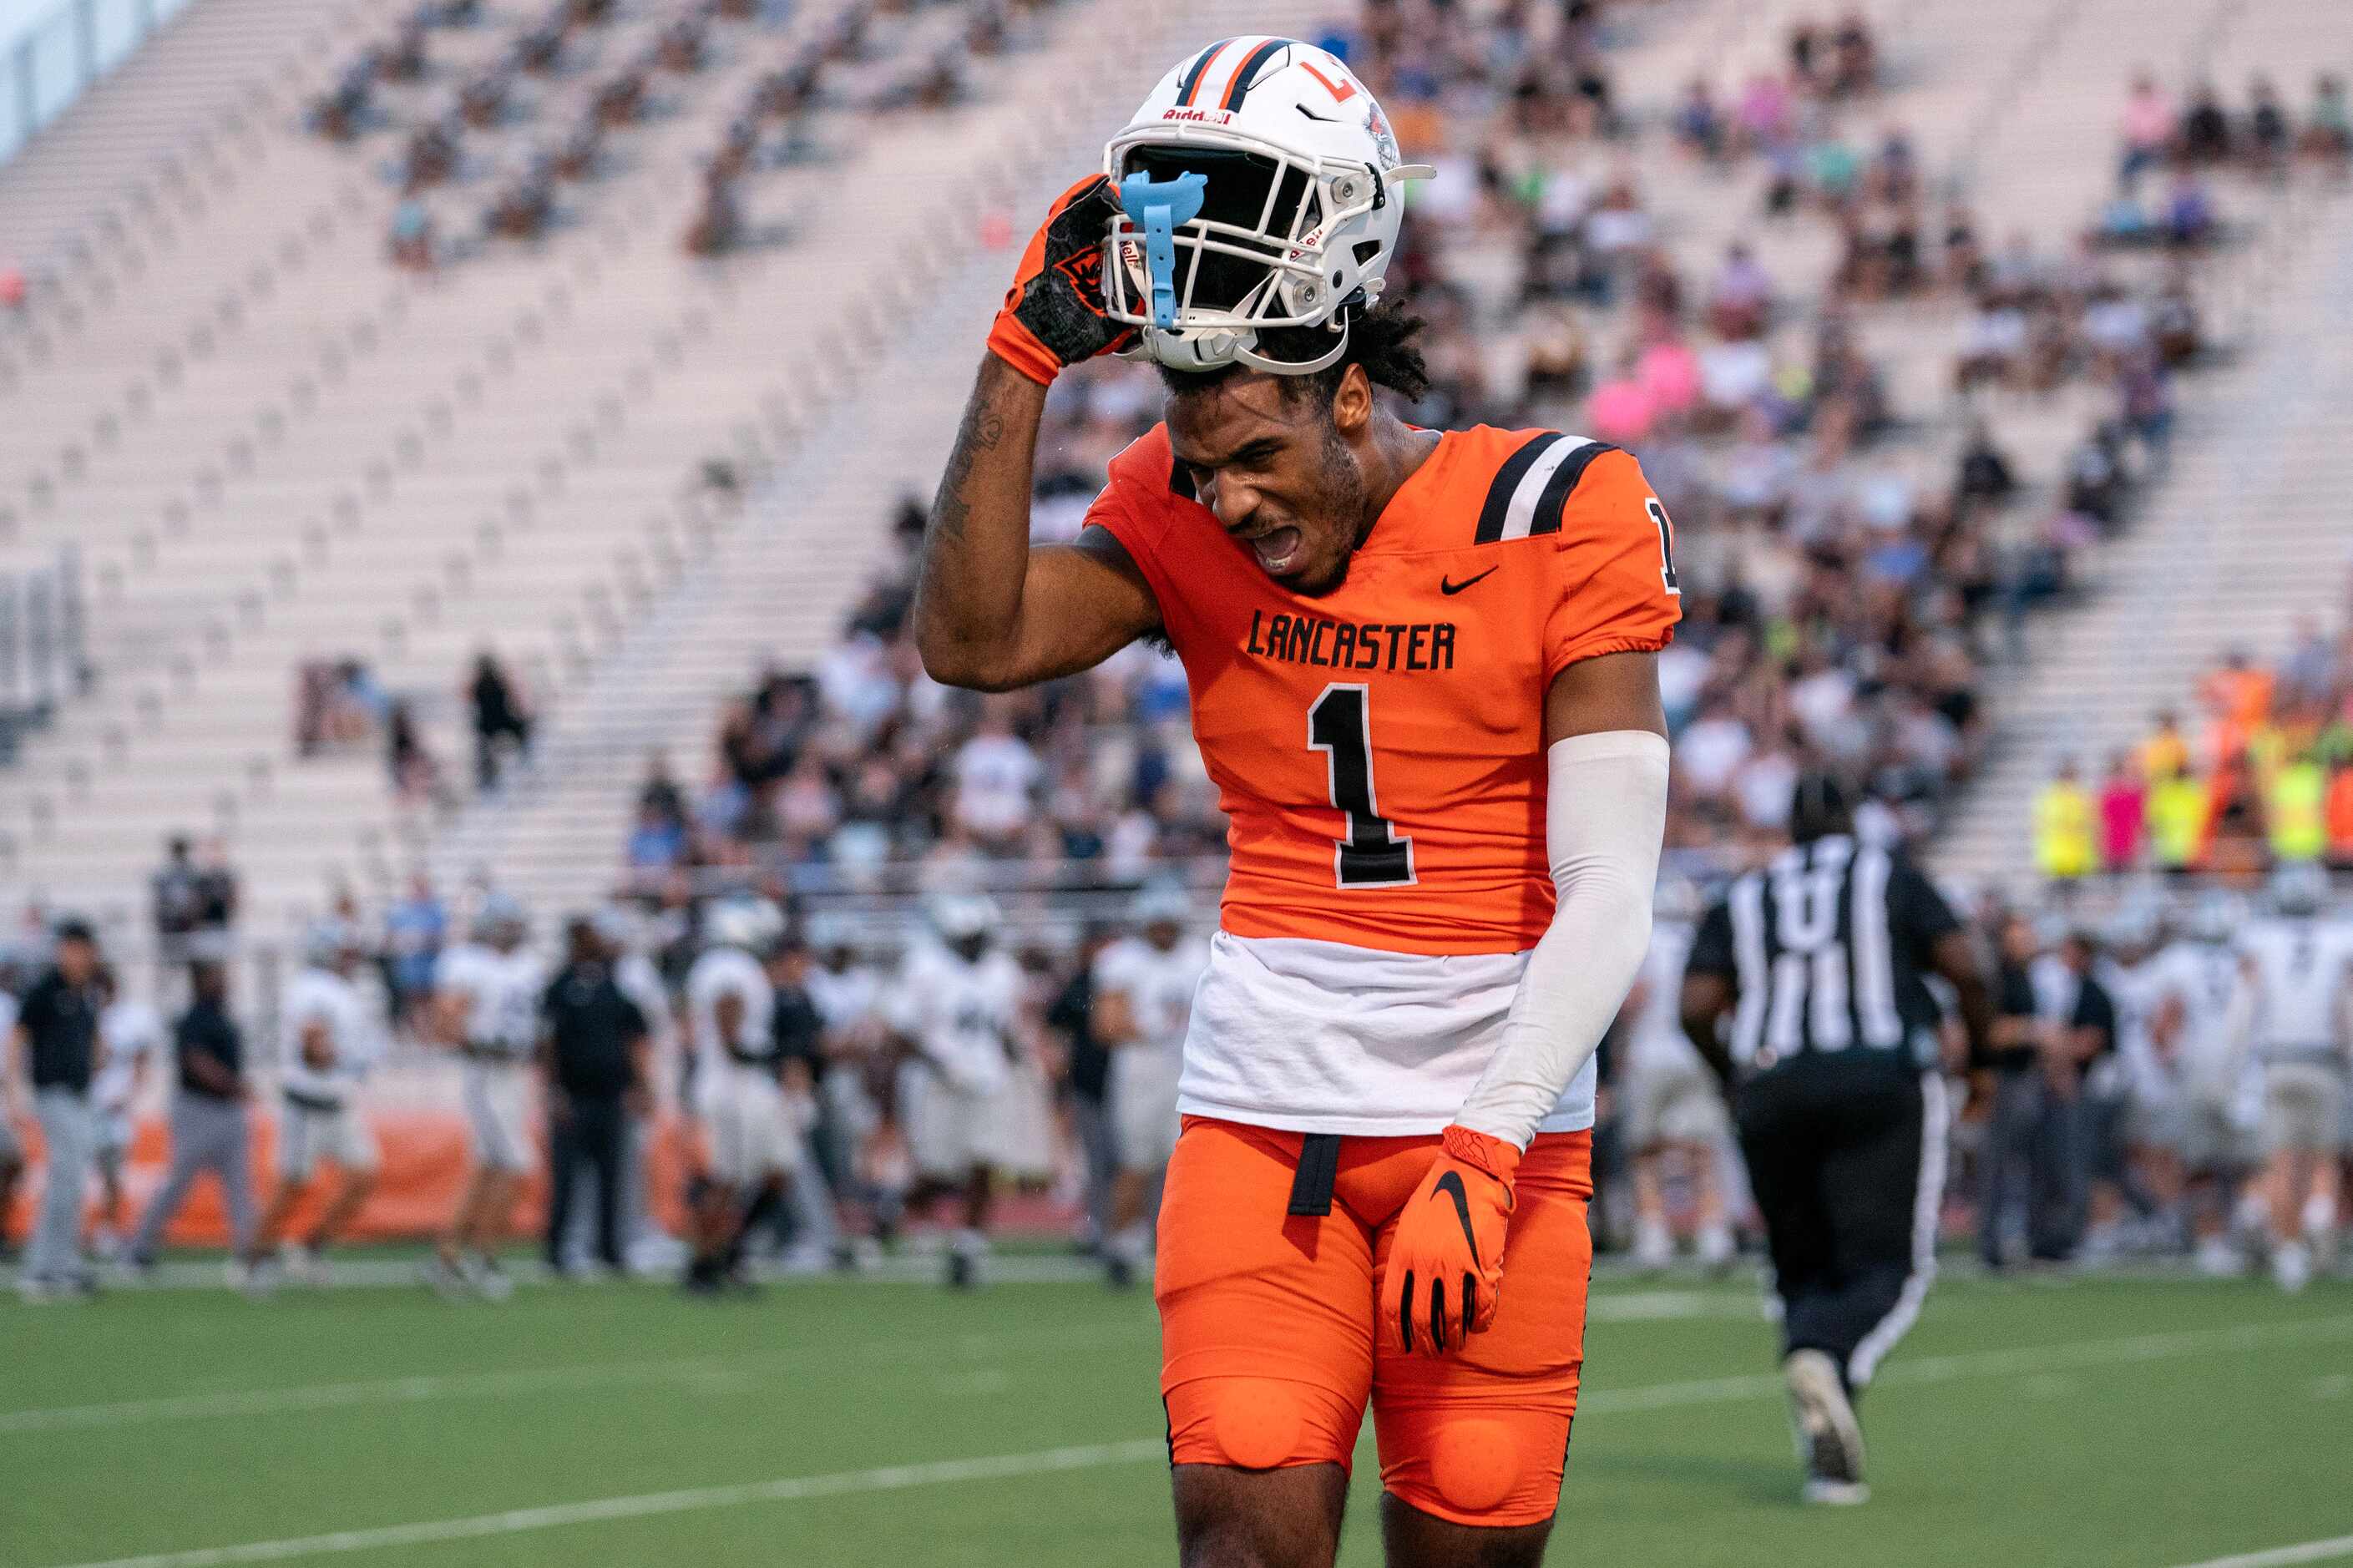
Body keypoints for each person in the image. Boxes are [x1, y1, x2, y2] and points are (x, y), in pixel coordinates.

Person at [914, 38, 1675, 1563]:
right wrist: (1017, 357)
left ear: (1346, 403)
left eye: (1255, 453)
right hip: (1266, 1118)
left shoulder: (1555, 508)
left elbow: (1611, 886)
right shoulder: (1181, 494)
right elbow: (971, 638)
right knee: (1238, 1543)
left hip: (1498, 1120)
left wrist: (1483, 1143)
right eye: (1199, 469)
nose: (1227, 500)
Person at [1680, 774, 1993, 1505]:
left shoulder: (1747, 893)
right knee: (1888, 1270)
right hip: (1878, 1081)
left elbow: (1696, 1006)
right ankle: (1826, 1358)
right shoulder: (1887, 874)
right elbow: (1966, 967)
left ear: (1788, 827)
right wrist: (1982, 1060)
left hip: (1772, 1087)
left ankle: (1830, 1456)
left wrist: (1734, 1075)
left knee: (1803, 1270)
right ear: (1853, 820)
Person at [887, 895, 1049, 1289]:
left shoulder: (1002, 971)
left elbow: (1006, 1027)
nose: (972, 946)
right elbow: (899, 1030)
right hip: (940, 1081)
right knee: (937, 1168)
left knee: (986, 1160)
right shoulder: (925, 968)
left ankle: (968, 1245)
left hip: (990, 1078)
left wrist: (1021, 1062)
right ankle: (892, 1210)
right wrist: (937, 1061)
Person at [2236, 864, 2353, 1290]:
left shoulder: (2260, 937)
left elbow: (2246, 1006)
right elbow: (2345, 1007)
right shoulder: (2340, 938)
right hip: (2323, 1060)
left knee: (2283, 1162)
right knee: (2324, 1158)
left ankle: (2289, 1254)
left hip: (2277, 1061)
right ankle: (2320, 1220)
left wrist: (2241, 1061)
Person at [1090, 882, 1209, 1288]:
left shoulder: (1201, 954)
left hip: (1192, 1067)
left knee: (1190, 1164)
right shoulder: (1123, 960)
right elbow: (1105, 1024)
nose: (1162, 931)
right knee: (1135, 1162)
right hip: (1141, 1068)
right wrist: (1151, 1029)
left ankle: (1186, 1246)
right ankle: (1121, 1246)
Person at [424, 893, 544, 1299]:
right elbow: (444, 1020)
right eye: (507, 925)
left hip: (515, 1072)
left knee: (490, 1166)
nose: (515, 933)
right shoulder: (469, 963)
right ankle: (483, 1258)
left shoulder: (527, 965)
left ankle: (451, 1255)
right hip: (489, 1072)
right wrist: (472, 1042)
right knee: (513, 1164)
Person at [249, 922, 382, 1285]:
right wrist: (326, 1053)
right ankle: (256, 1257)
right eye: (343, 950)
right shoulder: (314, 988)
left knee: (363, 1173)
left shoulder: (339, 989)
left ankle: (311, 1246)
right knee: (292, 1183)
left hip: (339, 1102)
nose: (350, 958)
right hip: (306, 1103)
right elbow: (313, 1042)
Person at [2139, 891, 2261, 1275]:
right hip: (2244, 1071)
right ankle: (2249, 1227)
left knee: (2200, 1163)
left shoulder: (2178, 961)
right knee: (2248, 1164)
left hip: (2196, 1070)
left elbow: (2162, 1023)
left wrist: (2169, 1065)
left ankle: (2212, 1242)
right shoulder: (2248, 959)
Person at [681, 896, 797, 1293]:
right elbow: (731, 1034)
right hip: (731, 1086)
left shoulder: (723, 966)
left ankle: (726, 1254)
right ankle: (703, 1264)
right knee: (724, 1180)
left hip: (736, 1084)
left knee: (769, 1172)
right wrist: (773, 1054)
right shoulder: (732, 967)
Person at [1617, 878, 1733, 1272]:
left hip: (1651, 1055)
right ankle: (1713, 1233)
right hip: (1694, 1054)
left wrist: (1620, 1045)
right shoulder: (1701, 945)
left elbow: (1635, 998)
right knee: (1701, 1148)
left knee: (1646, 1150)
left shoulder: (1646, 942)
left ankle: (1654, 1235)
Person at [127, 961, 258, 1282]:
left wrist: (234, 1091)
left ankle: (249, 1251)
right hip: (197, 1108)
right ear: (200, 982)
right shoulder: (193, 1020)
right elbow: (196, 1061)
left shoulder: (224, 1019)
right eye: (216, 978)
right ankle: (139, 1247)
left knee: (240, 1185)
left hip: (228, 1110)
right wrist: (232, 1085)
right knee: (177, 1182)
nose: (223, 983)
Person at [541, 916, 652, 1277]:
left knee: (611, 1176)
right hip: (573, 1096)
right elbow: (547, 1043)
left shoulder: (611, 984)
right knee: (566, 1177)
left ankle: (609, 1248)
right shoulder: (560, 987)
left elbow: (633, 1036)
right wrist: (553, 1091)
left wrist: (640, 1085)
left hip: (610, 1095)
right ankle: (558, 1250)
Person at [12, 921, 111, 1300]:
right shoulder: (44, 991)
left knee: (70, 1181)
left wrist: (96, 1058)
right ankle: (43, 1267)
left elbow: (93, 1039)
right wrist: (14, 1093)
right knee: (65, 1179)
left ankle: (61, 1263)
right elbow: (18, 1039)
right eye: (76, 948)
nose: (83, 956)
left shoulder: (86, 993)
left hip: (79, 1094)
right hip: (53, 1093)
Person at [89, 971, 166, 1261]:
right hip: (83, 1103)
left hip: (114, 1106)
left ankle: (108, 1228)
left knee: (112, 1172)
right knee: (75, 1170)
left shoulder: (127, 1020)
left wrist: (129, 1094)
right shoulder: (82, 1017)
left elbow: (140, 1061)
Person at [468, 650, 534, 792]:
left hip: (495, 721)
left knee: (522, 728)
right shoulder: (492, 682)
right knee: (484, 750)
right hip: (492, 723)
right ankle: (489, 776)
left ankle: (524, 759)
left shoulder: (494, 682)